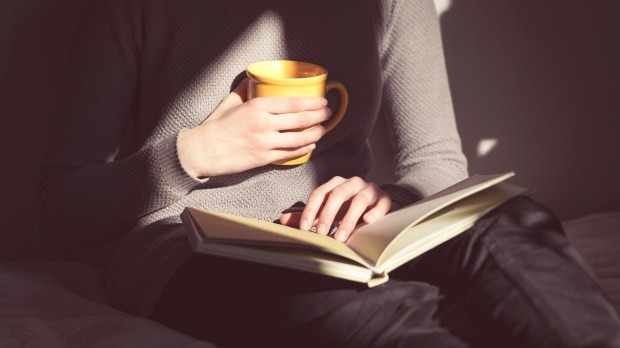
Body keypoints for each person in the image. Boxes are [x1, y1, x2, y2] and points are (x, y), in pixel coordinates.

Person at [37, 0, 620, 346]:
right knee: (394, 322)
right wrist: (194, 154)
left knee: (509, 213)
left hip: (343, 237)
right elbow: (60, 209)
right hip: (190, 249)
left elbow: (439, 166)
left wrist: (384, 198)